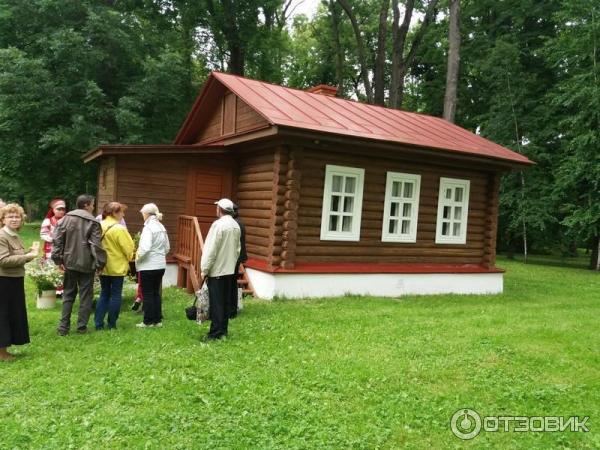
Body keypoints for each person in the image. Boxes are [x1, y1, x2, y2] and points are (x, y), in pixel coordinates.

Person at [52, 194, 106, 335]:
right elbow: (96, 245)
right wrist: (100, 264)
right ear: (86, 205)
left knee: (68, 294)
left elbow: (57, 241)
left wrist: (58, 260)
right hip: (86, 263)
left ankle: (63, 328)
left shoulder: (64, 220)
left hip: (69, 262)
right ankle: (81, 327)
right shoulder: (92, 222)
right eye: (92, 204)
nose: (93, 207)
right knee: (85, 295)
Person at [0, 203, 39, 361]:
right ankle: (1, 352)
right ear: (3, 219)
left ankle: (4, 349)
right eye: (11, 216)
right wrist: (27, 257)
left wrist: (27, 252)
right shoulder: (2, 236)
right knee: (3, 315)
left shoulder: (14, 234)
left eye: (17, 216)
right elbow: (3, 260)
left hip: (14, 280)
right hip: (3, 281)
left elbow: (15, 257)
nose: (15, 219)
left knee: (12, 314)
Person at [200, 198, 240, 341]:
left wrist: (204, 268)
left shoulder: (218, 225)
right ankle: (223, 330)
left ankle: (215, 333)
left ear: (220, 209)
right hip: (229, 270)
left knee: (217, 303)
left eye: (217, 207)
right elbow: (237, 250)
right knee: (225, 302)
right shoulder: (236, 225)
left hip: (217, 270)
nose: (216, 209)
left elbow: (210, 249)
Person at [94, 202, 134, 330]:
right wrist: (130, 257)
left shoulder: (98, 225)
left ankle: (98, 324)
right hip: (117, 266)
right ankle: (112, 324)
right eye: (122, 211)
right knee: (116, 295)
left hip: (102, 265)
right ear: (115, 213)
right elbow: (128, 248)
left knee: (104, 294)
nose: (123, 214)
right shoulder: (119, 228)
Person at [135, 203, 170, 328]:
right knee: (155, 292)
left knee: (148, 293)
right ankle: (157, 320)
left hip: (148, 266)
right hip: (160, 265)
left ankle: (148, 321)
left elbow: (144, 248)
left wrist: (138, 259)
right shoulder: (161, 226)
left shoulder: (148, 228)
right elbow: (167, 248)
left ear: (147, 214)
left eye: (142, 214)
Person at [229, 203, 248, 318]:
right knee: (232, 282)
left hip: (234, 257)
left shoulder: (235, 224)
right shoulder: (239, 222)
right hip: (237, 257)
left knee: (230, 283)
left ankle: (231, 310)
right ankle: (232, 308)